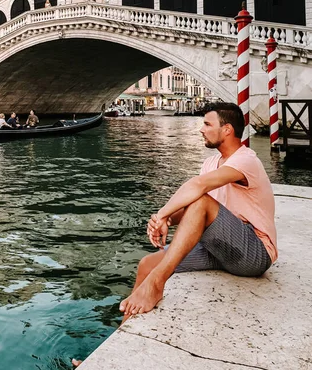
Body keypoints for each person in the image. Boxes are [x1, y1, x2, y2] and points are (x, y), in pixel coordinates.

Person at [72, 102, 278, 367]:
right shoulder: (211, 162)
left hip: (254, 253)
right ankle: (114, 351)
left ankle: (157, 285)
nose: (201, 130)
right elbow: (194, 208)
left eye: (207, 124)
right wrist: (169, 218)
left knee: (201, 200)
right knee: (147, 264)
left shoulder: (245, 159)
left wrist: (161, 213)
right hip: (223, 248)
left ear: (227, 130)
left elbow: (199, 190)